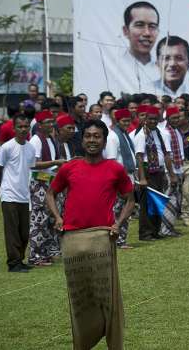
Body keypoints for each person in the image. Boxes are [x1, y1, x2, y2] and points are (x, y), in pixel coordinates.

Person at [46, 119, 135, 349]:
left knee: (107, 298)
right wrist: (58, 218)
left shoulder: (115, 168)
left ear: (104, 140)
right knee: (80, 300)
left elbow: (130, 199)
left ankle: (113, 341)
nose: (92, 140)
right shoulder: (69, 168)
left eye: (97, 136)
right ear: (82, 139)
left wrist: (117, 223)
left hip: (102, 241)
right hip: (73, 241)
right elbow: (50, 194)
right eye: (88, 136)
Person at [0, 116, 37, 272]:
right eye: (20, 126)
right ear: (14, 128)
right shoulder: (6, 147)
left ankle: (20, 259)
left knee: (24, 232)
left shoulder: (31, 148)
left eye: (26, 126)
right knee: (12, 231)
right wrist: (0, 187)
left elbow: (30, 169)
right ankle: (13, 263)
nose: (24, 129)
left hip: (24, 195)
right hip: (9, 194)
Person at [28, 110, 66, 266]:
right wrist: (56, 162)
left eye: (52, 121)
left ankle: (45, 253)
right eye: (48, 122)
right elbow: (33, 164)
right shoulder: (36, 140)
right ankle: (34, 256)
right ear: (39, 124)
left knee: (48, 220)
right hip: (39, 184)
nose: (51, 124)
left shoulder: (50, 138)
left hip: (49, 182)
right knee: (38, 220)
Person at [134, 106, 177, 240]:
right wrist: (142, 178)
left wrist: (171, 174)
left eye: (155, 119)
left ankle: (155, 231)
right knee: (147, 204)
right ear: (145, 119)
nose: (153, 121)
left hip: (159, 171)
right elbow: (139, 157)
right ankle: (145, 233)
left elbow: (167, 155)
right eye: (150, 119)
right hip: (147, 172)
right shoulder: (141, 135)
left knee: (158, 203)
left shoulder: (161, 133)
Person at [105, 109, 137, 248]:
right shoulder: (113, 136)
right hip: (118, 179)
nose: (127, 123)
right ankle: (116, 239)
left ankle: (122, 239)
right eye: (124, 121)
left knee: (126, 211)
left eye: (128, 121)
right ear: (117, 121)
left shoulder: (124, 135)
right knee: (117, 211)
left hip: (128, 176)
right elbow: (112, 161)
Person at [119, 1, 160, 93]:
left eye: (152, 26)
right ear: (125, 31)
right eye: (139, 25)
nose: (147, 33)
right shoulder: (115, 65)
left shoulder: (163, 69)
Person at [160, 106, 186, 235]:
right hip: (171, 172)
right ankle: (165, 230)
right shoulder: (166, 132)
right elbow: (167, 156)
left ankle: (169, 227)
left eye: (178, 117)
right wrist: (172, 174)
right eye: (173, 118)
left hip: (179, 169)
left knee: (177, 200)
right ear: (168, 118)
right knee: (170, 200)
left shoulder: (176, 131)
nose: (176, 120)